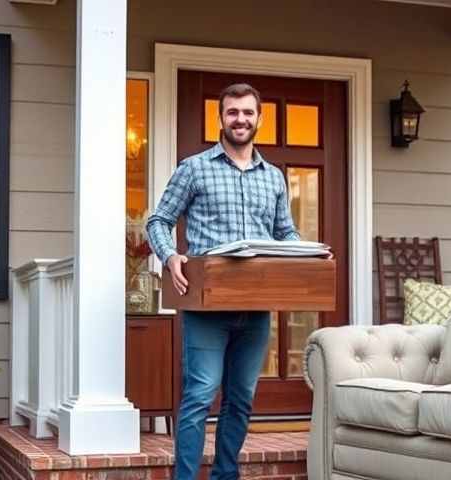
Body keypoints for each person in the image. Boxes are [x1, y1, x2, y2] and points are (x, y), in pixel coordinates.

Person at [146, 83, 300, 480]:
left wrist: (308, 253)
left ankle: (225, 475)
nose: (240, 120)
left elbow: (286, 233)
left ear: (259, 119)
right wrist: (170, 255)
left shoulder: (274, 178)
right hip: (207, 307)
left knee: (241, 400)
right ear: (221, 118)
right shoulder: (194, 168)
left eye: (248, 113)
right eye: (232, 112)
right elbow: (158, 220)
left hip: (256, 308)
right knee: (198, 398)